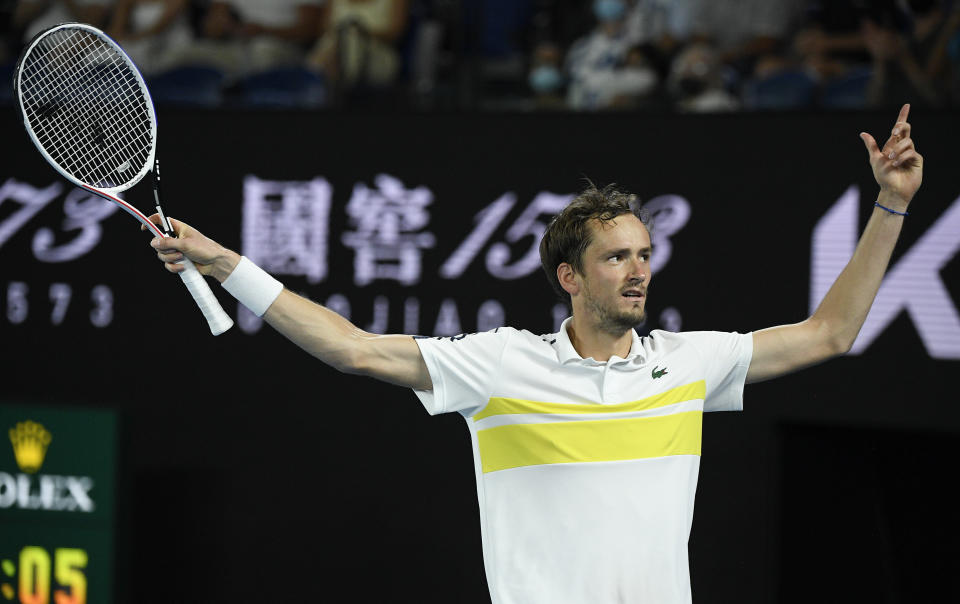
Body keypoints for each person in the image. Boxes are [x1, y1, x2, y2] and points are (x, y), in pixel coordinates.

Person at [147, 105, 923, 603]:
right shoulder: (501, 365)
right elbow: (352, 349)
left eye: (644, 253)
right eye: (616, 257)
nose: (640, 270)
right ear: (569, 276)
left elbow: (833, 333)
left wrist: (891, 203)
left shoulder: (689, 363)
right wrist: (225, 264)